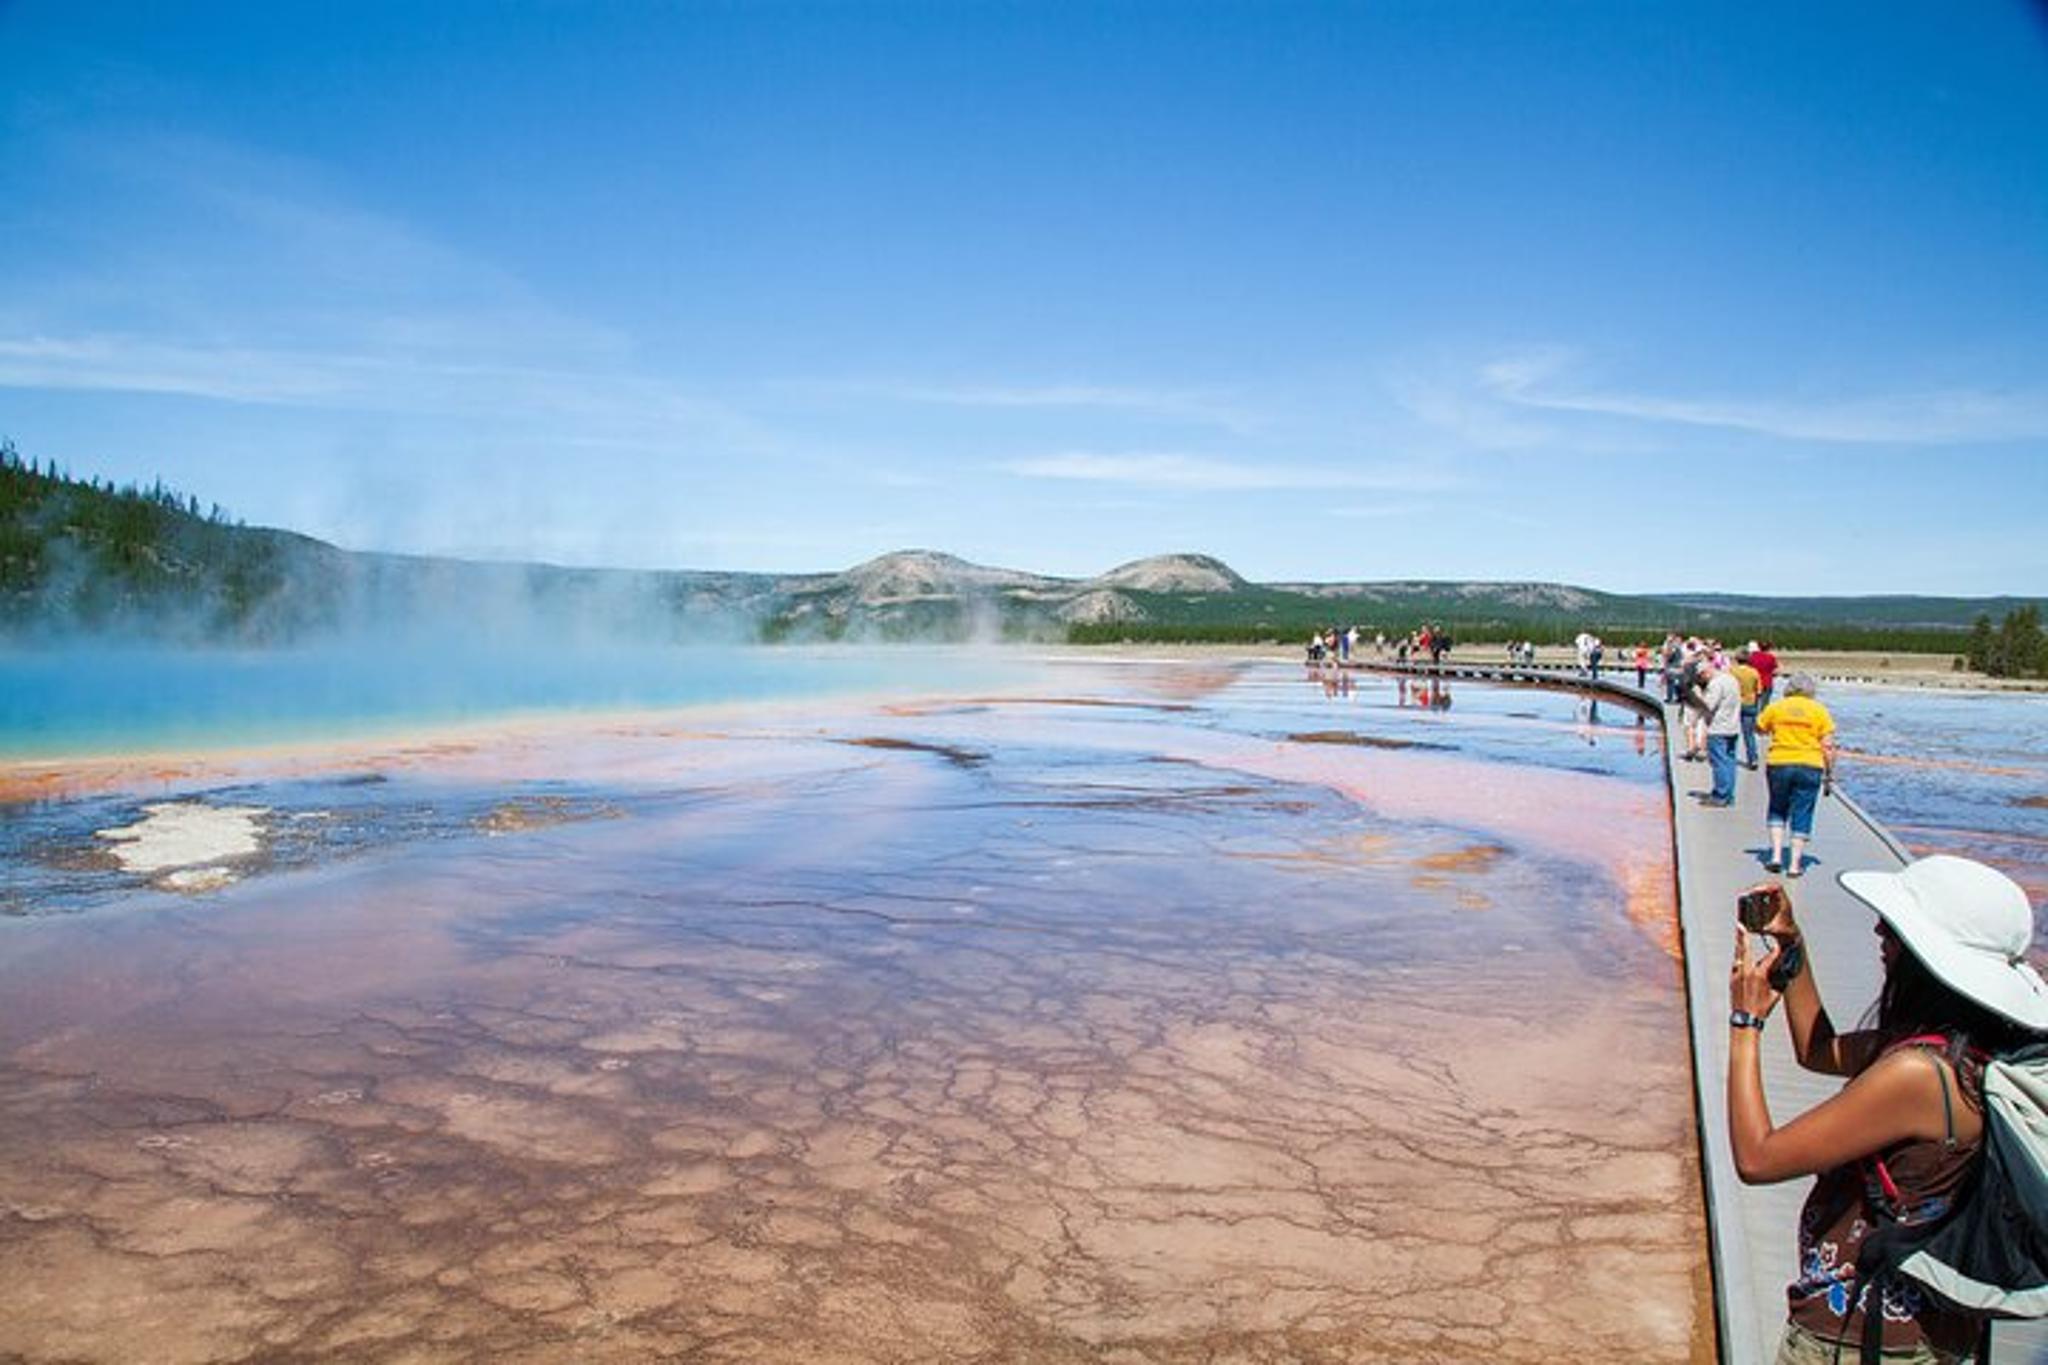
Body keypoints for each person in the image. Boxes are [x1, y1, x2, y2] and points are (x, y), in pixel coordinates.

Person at [1728, 855, 2048, 1364]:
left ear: (1926, 955)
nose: (1878, 928)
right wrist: (1793, 947)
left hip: (1860, 1337)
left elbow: (1757, 1158)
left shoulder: (1919, 1075)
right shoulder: (1963, 1050)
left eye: (1894, 927)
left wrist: (1744, 1020)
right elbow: (1819, 1051)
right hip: (1924, 1329)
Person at [1757, 672, 1837, 876]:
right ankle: (1794, 865)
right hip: (1810, 764)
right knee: (1803, 811)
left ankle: (1775, 856)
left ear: (1789, 688)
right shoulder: (1820, 711)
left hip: (1779, 762)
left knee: (1777, 807)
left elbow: (1760, 727)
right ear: (1811, 690)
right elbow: (1828, 746)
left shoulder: (1776, 707)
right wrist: (1829, 774)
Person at [1693, 656, 1743, 805]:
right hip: (1733, 726)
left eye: (1701, 677)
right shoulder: (1731, 679)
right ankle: (1729, 795)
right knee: (1729, 762)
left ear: (1705, 672)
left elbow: (1708, 706)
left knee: (1719, 762)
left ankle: (1720, 795)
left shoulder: (1715, 684)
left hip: (1718, 728)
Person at [1732, 648, 1764, 770]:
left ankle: (1731, 757)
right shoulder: (1754, 672)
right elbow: (1759, 691)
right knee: (1749, 734)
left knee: (1732, 733)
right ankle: (1753, 759)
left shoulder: (1732, 672)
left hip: (1734, 704)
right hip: (1750, 704)